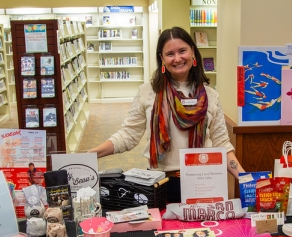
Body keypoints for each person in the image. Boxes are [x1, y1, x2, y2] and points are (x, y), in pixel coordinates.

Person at [88, 26, 245, 202]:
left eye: (182, 51)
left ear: (192, 52)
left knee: (203, 230)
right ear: (162, 58)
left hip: (203, 181)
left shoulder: (210, 95)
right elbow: (128, 136)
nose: (177, 58)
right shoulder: (148, 92)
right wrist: (90, 155)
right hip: (160, 183)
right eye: (170, 54)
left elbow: (222, 143)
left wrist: (245, 179)